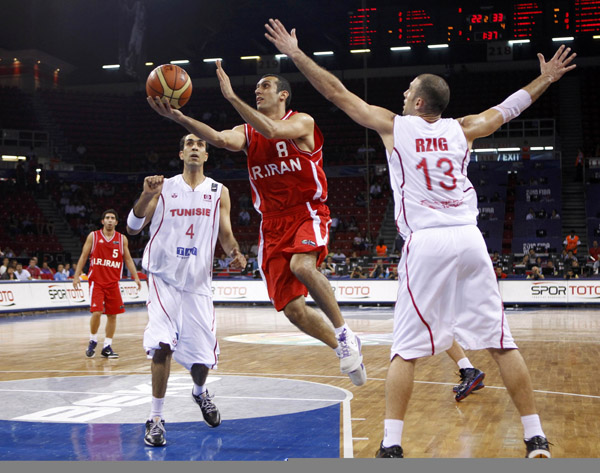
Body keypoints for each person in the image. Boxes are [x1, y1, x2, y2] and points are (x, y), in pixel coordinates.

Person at [266, 19, 576, 458]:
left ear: (416, 101)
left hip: (427, 242)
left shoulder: (396, 126)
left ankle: (391, 446)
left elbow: (336, 92)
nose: (402, 94)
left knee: (405, 352)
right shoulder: (463, 128)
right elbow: (508, 109)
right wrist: (544, 79)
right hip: (469, 239)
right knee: (502, 342)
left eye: (407, 89)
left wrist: (296, 55)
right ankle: (535, 436)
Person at [147, 61, 367, 387]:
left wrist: (232, 97)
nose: (258, 91)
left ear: (283, 95)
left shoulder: (302, 122)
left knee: (303, 266)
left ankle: (344, 332)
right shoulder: (246, 132)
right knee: (293, 310)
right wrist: (178, 117)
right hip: (272, 224)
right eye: (256, 88)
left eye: (264, 86)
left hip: (306, 211)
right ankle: (343, 349)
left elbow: (273, 131)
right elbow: (221, 139)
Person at [126, 134, 246, 447]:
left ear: (206, 155)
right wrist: (144, 195)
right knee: (162, 343)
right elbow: (133, 227)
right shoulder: (162, 187)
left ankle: (199, 392)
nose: (195, 147)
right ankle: (155, 419)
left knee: (202, 360)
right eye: (190, 143)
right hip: (163, 277)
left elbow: (226, 235)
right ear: (181, 153)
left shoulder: (219, 192)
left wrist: (234, 253)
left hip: (197, 283)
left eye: (200, 145)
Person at [73, 209, 141, 359]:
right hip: (96, 281)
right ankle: (93, 340)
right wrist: (76, 275)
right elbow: (84, 256)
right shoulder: (94, 236)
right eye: (107, 218)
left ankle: (107, 346)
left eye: (112, 218)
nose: (110, 220)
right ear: (102, 221)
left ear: (116, 222)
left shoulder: (122, 239)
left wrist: (135, 277)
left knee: (112, 315)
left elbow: (128, 259)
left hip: (113, 282)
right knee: (97, 312)